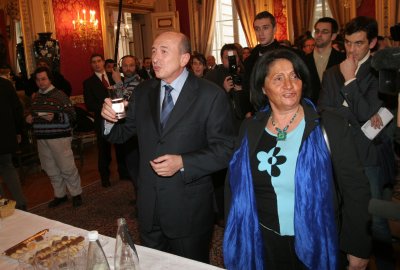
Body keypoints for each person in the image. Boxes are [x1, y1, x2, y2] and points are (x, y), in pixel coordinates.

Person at [224, 48, 371, 270]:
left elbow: (355, 188)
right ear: (263, 88)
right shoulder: (250, 129)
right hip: (262, 241)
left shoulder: (328, 125)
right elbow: (234, 187)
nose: (289, 85)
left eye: (295, 76)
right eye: (278, 78)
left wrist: (358, 246)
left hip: (318, 242)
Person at [101, 31, 234, 263]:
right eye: (153, 51)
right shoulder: (143, 92)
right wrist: (109, 119)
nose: (155, 58)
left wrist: (183, 162)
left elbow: (225, 150)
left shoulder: (210, 95)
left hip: (189, 209)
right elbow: (122, 134)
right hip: (149, 207)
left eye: (164, 51)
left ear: (184, 59)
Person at [318, 16, 395, 269]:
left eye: (359, 43)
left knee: (375, 220)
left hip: (368, 155)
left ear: (372, 42)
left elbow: (371, 116)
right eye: (348, 43)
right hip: (339, 155)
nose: (351, 50)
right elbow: (324, 112)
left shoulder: (382, 73)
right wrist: (357, 113)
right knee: (343, 212)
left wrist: (350, 82)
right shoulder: (331, 73)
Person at [26, 67, 82, 208]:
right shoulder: (36, 97)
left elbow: (73, 116)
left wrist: (56, 116)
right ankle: (60, 195)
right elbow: (32, 113)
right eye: (38, 80)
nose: (41, 82)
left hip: (59, 138)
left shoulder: (60, 95)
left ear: (50, 79)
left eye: (43, 79)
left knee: (67, 167)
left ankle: (76, 194)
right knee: (50, 168)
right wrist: (28, 118)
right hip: (41, 138)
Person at [83, 53, 130, 188]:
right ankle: (105, 177)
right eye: (93, 62)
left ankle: (124, 172)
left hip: (119, 119)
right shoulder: (88, 83)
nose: (97, 64)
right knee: (104, 151)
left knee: (121, 147)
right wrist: (107, 107)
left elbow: (124, 95)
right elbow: (89, 105)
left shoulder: (115, 77)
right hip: (102, 121)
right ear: (91, 65)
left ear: (103, 62)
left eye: (99, 61)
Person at [205, 43, 252, 132]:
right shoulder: (212, 75)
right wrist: (224, 90)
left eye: (234, 57)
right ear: (222, 59)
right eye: (227, 58)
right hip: (221, 126)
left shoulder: (244, 76)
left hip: (241, 125)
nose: (231, 60)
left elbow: (250, 106)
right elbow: (207, 103)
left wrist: (241, 91)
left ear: (239, 59)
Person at [111, 55, 142, 182]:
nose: (128, 68)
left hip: (136, 132)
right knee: (132, 167)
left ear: (137, 67)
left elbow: (124, 103)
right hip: (127, 129)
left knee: (136, 167)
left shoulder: (138, 82)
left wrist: (118, 83)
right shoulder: (125, 83)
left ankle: (143, 199)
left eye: (131, 65)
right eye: (125, 65)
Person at [0, 66, 27, 210]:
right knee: (8, 167)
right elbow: (17, 110)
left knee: (7, 167)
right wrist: (18, 131)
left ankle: (3, 207)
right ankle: (20, 203)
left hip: (5, 135)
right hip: (5, 136)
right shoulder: (6, 85)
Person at [304, 17, 345, 103]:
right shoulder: (303, 60)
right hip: (310, 109)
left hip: (335, 110)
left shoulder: (343, 60)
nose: (319, 35)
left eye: (324, 32)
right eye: (317, 31)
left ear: (333, 36)